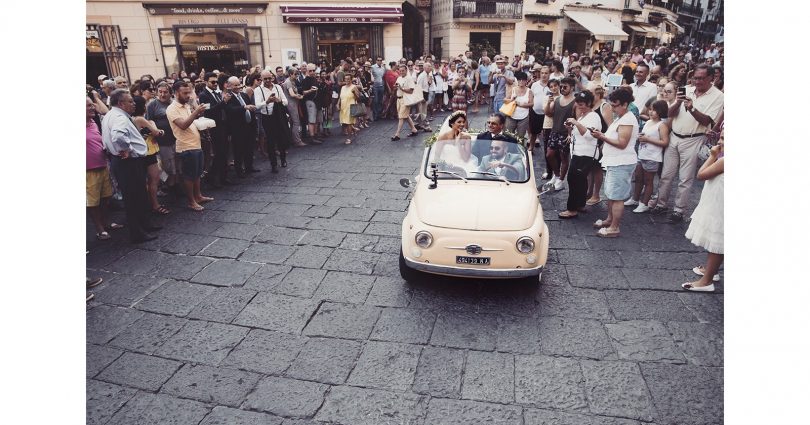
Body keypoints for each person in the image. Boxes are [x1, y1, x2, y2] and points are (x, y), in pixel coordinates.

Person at [652, 64, 724, 223]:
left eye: (701, 78)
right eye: (695, 78)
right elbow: (668, 114)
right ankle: (661, 204)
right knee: (666, 174)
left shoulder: (718, 97)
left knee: (685, 178)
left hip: (694, 138)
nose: (697, 81)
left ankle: (679, 210)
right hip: (674, 136)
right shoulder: (687, 89)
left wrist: (691, 108)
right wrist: (678, 102)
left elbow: (707, 120)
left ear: (711, 78)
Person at [101, 89, 162, 243]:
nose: (134, 104)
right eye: (130, 101)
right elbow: (118, 135)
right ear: (121, 103)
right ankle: (138, 233)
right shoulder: (119, 117)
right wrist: (126, 149)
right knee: (133, 198)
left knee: (139, 195)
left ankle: (145, 225)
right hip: (127, 162)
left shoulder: (112, 115)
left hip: (125, 161)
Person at [588, 88, 639, 238]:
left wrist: (602, 137)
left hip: (621, 162)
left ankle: (614, 228)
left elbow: (622, 143)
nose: (613, 108)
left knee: (617, 197)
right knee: (611, 194)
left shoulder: (628, 119)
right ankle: (610, 219)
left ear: (625, 104)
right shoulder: (621, 117)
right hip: (614, 162)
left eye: (615, 105)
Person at [682, 130, 724, 291]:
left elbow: (701, 174)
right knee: (717, 241)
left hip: (719, 205)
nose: (720, 142)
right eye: (721, 137)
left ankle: (707, 281)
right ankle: (711, 271)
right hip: (717, 202)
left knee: (716, 241)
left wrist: (713, 155)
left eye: (725, 139)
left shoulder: (723, 160)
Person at [166, 82, 214, 211]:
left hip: (195, 143)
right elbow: (183, 125)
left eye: (189, 92)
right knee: (189, 176)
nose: (188, 95)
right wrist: (196, 112)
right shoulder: (172, 108)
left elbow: (192, 120)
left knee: (197, 173)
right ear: (176, 93)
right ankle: (191, 201)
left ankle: (198, 196)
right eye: (185, 93)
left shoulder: (186, 105)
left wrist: (197, 113)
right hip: (185, 146)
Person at [559, 90, 601, 218]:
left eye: (582, 104)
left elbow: (589, 136)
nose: (579, 106)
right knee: (581, 180)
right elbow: (578, 134)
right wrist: (570, 128)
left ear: (589, 103)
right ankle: (580, 204)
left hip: (585, 154)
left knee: (573, 179)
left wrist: (576, 122)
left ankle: (572, 209)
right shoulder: (583, 116)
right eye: (578, 103)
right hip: (578, 152)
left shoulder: (593, 116)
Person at [625, 100, 670, 213]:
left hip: (653, 157)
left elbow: (665, 142)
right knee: (638, 178)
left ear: (661, 111)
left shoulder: (662, 125)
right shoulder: (649, 122)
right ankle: (635, 199)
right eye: (650, 109)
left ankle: (644, 203)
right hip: (642, 154)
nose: (651, 112)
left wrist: (647, 139)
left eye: (654, 110)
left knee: (648, 181)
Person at [86, 97, 118, 240]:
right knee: (93, 201)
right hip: (88, 170)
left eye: (92, 105)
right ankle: (99, 228)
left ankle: (106, 222)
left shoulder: (93, 122)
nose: (92, 107)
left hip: (102, 165)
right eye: (88, 106)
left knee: (106, 197)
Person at [132, 95, 169, 216]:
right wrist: (156, 127)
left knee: (149, 180)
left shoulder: (134, 119)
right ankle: (155, 205)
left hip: (145, 152)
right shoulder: (140, 119)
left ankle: (149, 204)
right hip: (148, 153)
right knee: (154, 179)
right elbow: (157, 132)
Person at [197, 72, 232, 186]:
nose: (215, 84)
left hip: (222, 125)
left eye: (216, 82)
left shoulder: (217, 93)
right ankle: (212, 178)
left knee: (224, 153)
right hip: (213, 127)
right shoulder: (203, 95)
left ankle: (223, 177)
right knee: (217, 153)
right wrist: (223, 102)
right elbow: (208, 111)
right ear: (206, 82)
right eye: (213, 82)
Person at [254, 71, 291, 172]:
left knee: (281, 138)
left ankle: (283, 159)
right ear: (261, 79)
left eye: (269, 78)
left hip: (278, 116)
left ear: (272, 78)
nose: (267, 81)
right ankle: (273, 164)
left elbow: (286, 101)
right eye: (265, 79)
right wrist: (267, 101)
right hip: (267, 117)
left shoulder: (278, 87)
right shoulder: (258, 90)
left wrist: (279, 100)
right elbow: (257, 105)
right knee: (270, 141)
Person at [544, 77, 576, 191]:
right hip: (554, 131)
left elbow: (576, 119)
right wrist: (548, 103)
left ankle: (561, 180)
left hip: (565, 133)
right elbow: (548, 113)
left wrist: (570, 133)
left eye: (565, 87)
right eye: (561, 86)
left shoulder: (575, 102)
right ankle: (556, 175)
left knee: (564, 158)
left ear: (572, 88)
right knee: (549, 155)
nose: (562, 88)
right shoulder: (557, 99)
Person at [223, 76, 259, 178]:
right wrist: (244, 107)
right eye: (236, 85)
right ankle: (239, 170)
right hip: (237, 128)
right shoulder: (228, 97)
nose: (239, 86)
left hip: (248, 125)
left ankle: (249, 167)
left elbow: (250, 108)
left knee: (249, 147)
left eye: (239, 84)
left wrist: (253, 124)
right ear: (229, 86)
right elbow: (230, 110)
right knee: (239, 150)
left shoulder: (244, 95)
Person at [391, 65, 420, 141]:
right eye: (400, 71)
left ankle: (397, 134)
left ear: (406, 70)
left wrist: (402, 88)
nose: (401, 72)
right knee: (406, 116)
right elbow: (397, 86)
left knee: (401, 117)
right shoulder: (399, 78)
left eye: (403, 71)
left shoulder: (409, 79)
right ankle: (414, 130)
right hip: (399, 99)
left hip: (405, 99)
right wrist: (395, 87)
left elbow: (411, 91)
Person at [504, 71, 533, 140]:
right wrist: (512, 100)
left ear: (526, 81)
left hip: (524, 117)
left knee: (521, 137)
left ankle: (520, 150)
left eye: (523, 80)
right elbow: (505, 100)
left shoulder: (529, 91)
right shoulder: (513, 89)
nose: (521, 81)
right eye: (519, 80)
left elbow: (532, 104)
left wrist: (522, 104)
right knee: (509, 135)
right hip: (511, 115)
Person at [283, 68, 309, 147]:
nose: (297, 76)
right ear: (290, 74)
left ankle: (292, 139)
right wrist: (299, 97)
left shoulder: (291, 81)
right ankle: (297, 141)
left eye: (297, 74)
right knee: (296, 122)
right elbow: (292, 94)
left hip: (293, 103)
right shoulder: (288, 82)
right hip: (291, 104)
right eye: (295, 74)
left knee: (293, 122)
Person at [528, 65, 549, 152]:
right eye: (542, 73)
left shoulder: (552, 85)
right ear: (540, 74)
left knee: (546, 134)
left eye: (546, 73)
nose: (544, 75)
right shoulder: (534, 85)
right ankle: (531, 147)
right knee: (533, 132)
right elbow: (531, 96)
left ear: (549, 74)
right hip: (535, 112)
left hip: (547, 113)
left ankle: (546, 149)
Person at [338, 73, 361, 145]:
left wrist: (354, 93)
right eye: (345, 79)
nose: (347, 80)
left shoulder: (354, 87)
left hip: (351, 106)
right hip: (343, 107)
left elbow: (358, 98)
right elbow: (340, 97)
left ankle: (349, 138)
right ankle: (353, 129)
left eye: (348, 79)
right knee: (344, 123)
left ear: (351, 80)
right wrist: (337, 104)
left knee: (348, 123)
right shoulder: (343, 87)